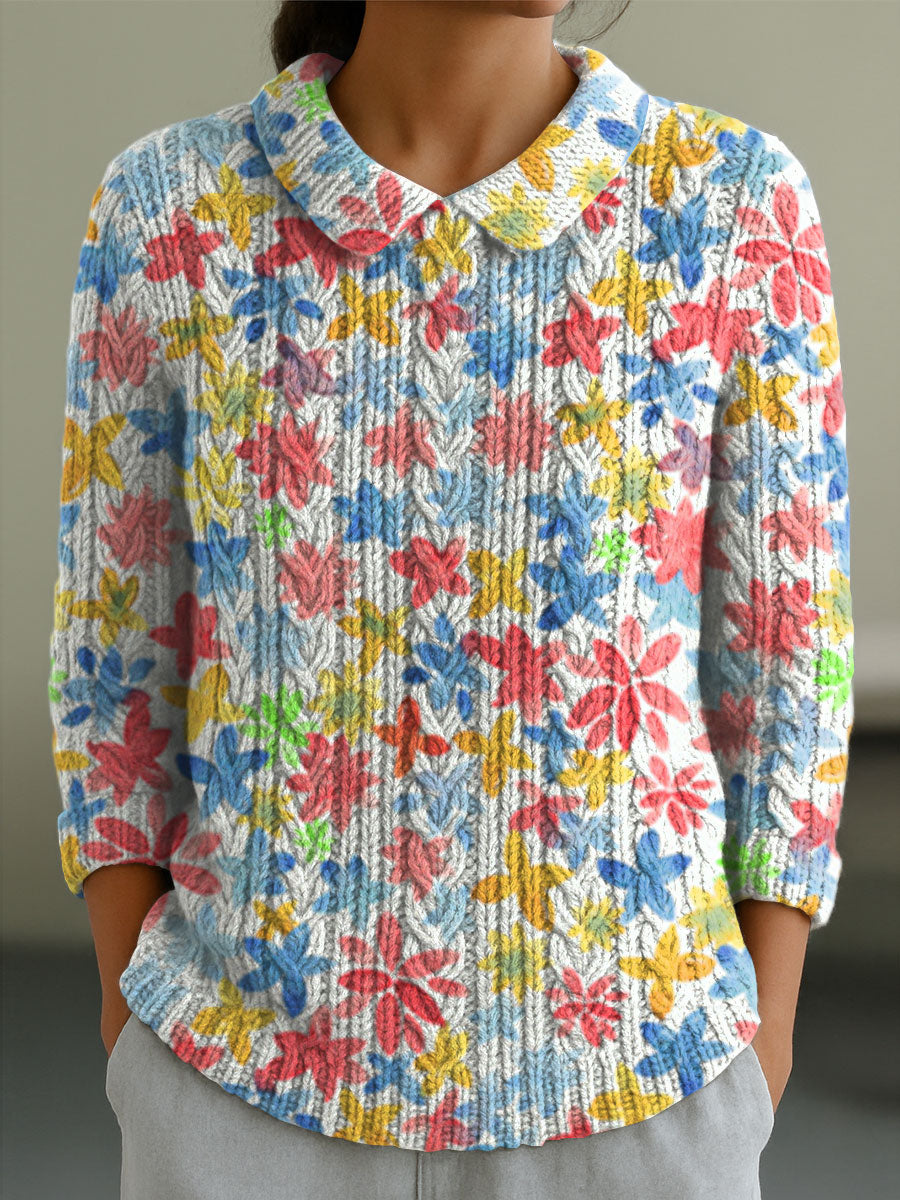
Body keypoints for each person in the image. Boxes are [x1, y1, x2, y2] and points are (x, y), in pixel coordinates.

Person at [48, 1, 854, 1197]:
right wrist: (140, 1044)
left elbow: (788, 669)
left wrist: (759, 1049)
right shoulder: (171, 211)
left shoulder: (732, 206)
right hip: (237, 1098)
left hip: (640, 1098)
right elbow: (113, 664)